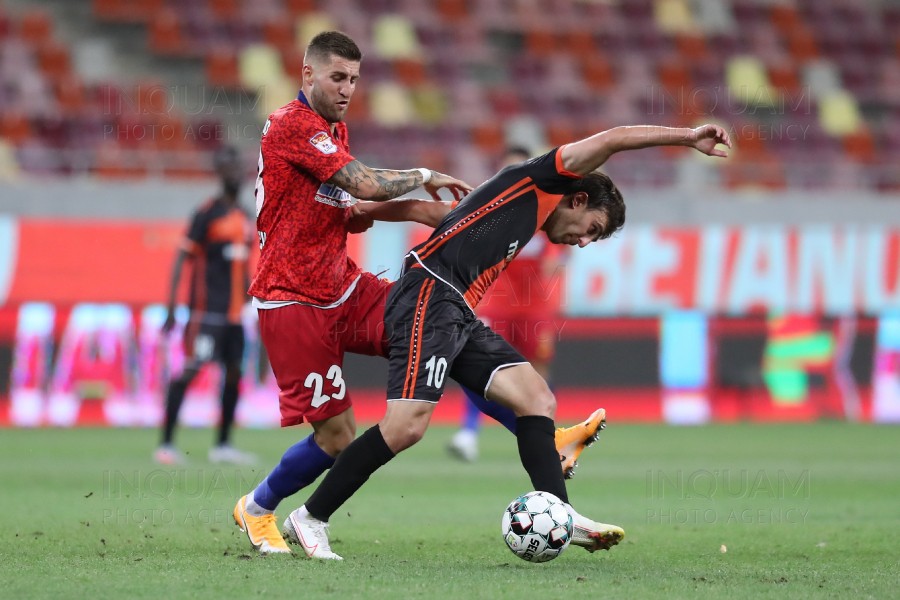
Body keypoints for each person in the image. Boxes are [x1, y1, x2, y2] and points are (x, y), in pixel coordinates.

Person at [282, 123, 732, 560]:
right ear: (577, 198)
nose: (582, 242)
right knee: (406, 426)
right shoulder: (543, 179)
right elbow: (612, 140)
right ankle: (311, 517)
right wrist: (686, 137)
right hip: (430, 293)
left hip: (454, 309)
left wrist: (365, 215)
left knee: (535, 396)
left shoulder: (523, 215)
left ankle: (563, 514)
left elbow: (432, 213)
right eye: (591, 228)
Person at [232, 31, 605, 554]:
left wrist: (425, 212)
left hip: (344, 288)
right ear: (307, 74)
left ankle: (540, 431)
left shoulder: (333, 128)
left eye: (355, 79)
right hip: (292, 300)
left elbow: (353, 214)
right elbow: (361, 185)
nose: (347, 89)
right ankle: (256, 508)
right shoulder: (293, 124)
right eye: (337, 77)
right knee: (337, 439)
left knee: (435, 334)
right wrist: (422, 176)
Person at [447, 146, 590, 468]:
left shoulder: (546, 209)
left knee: (539, 370)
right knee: (477, 366)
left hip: (536, 306)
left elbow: (560, 251)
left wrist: (558, 262)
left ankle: (550, 436)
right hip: (496, 302)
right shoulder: (489, 209)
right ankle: (468, 433)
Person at [154, 145, 257, 465]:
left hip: (235, 314)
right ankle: (167, 444)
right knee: (191, 369)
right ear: (218, 173)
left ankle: (223, 444)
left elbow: (240, 264)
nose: (234, 175)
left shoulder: (244, 218)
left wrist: (250, 290)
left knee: (234, 374)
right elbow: (182, 257)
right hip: (205, 311)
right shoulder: (207, 213)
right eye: (228, 169)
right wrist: (172, 306)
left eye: (237, 169)